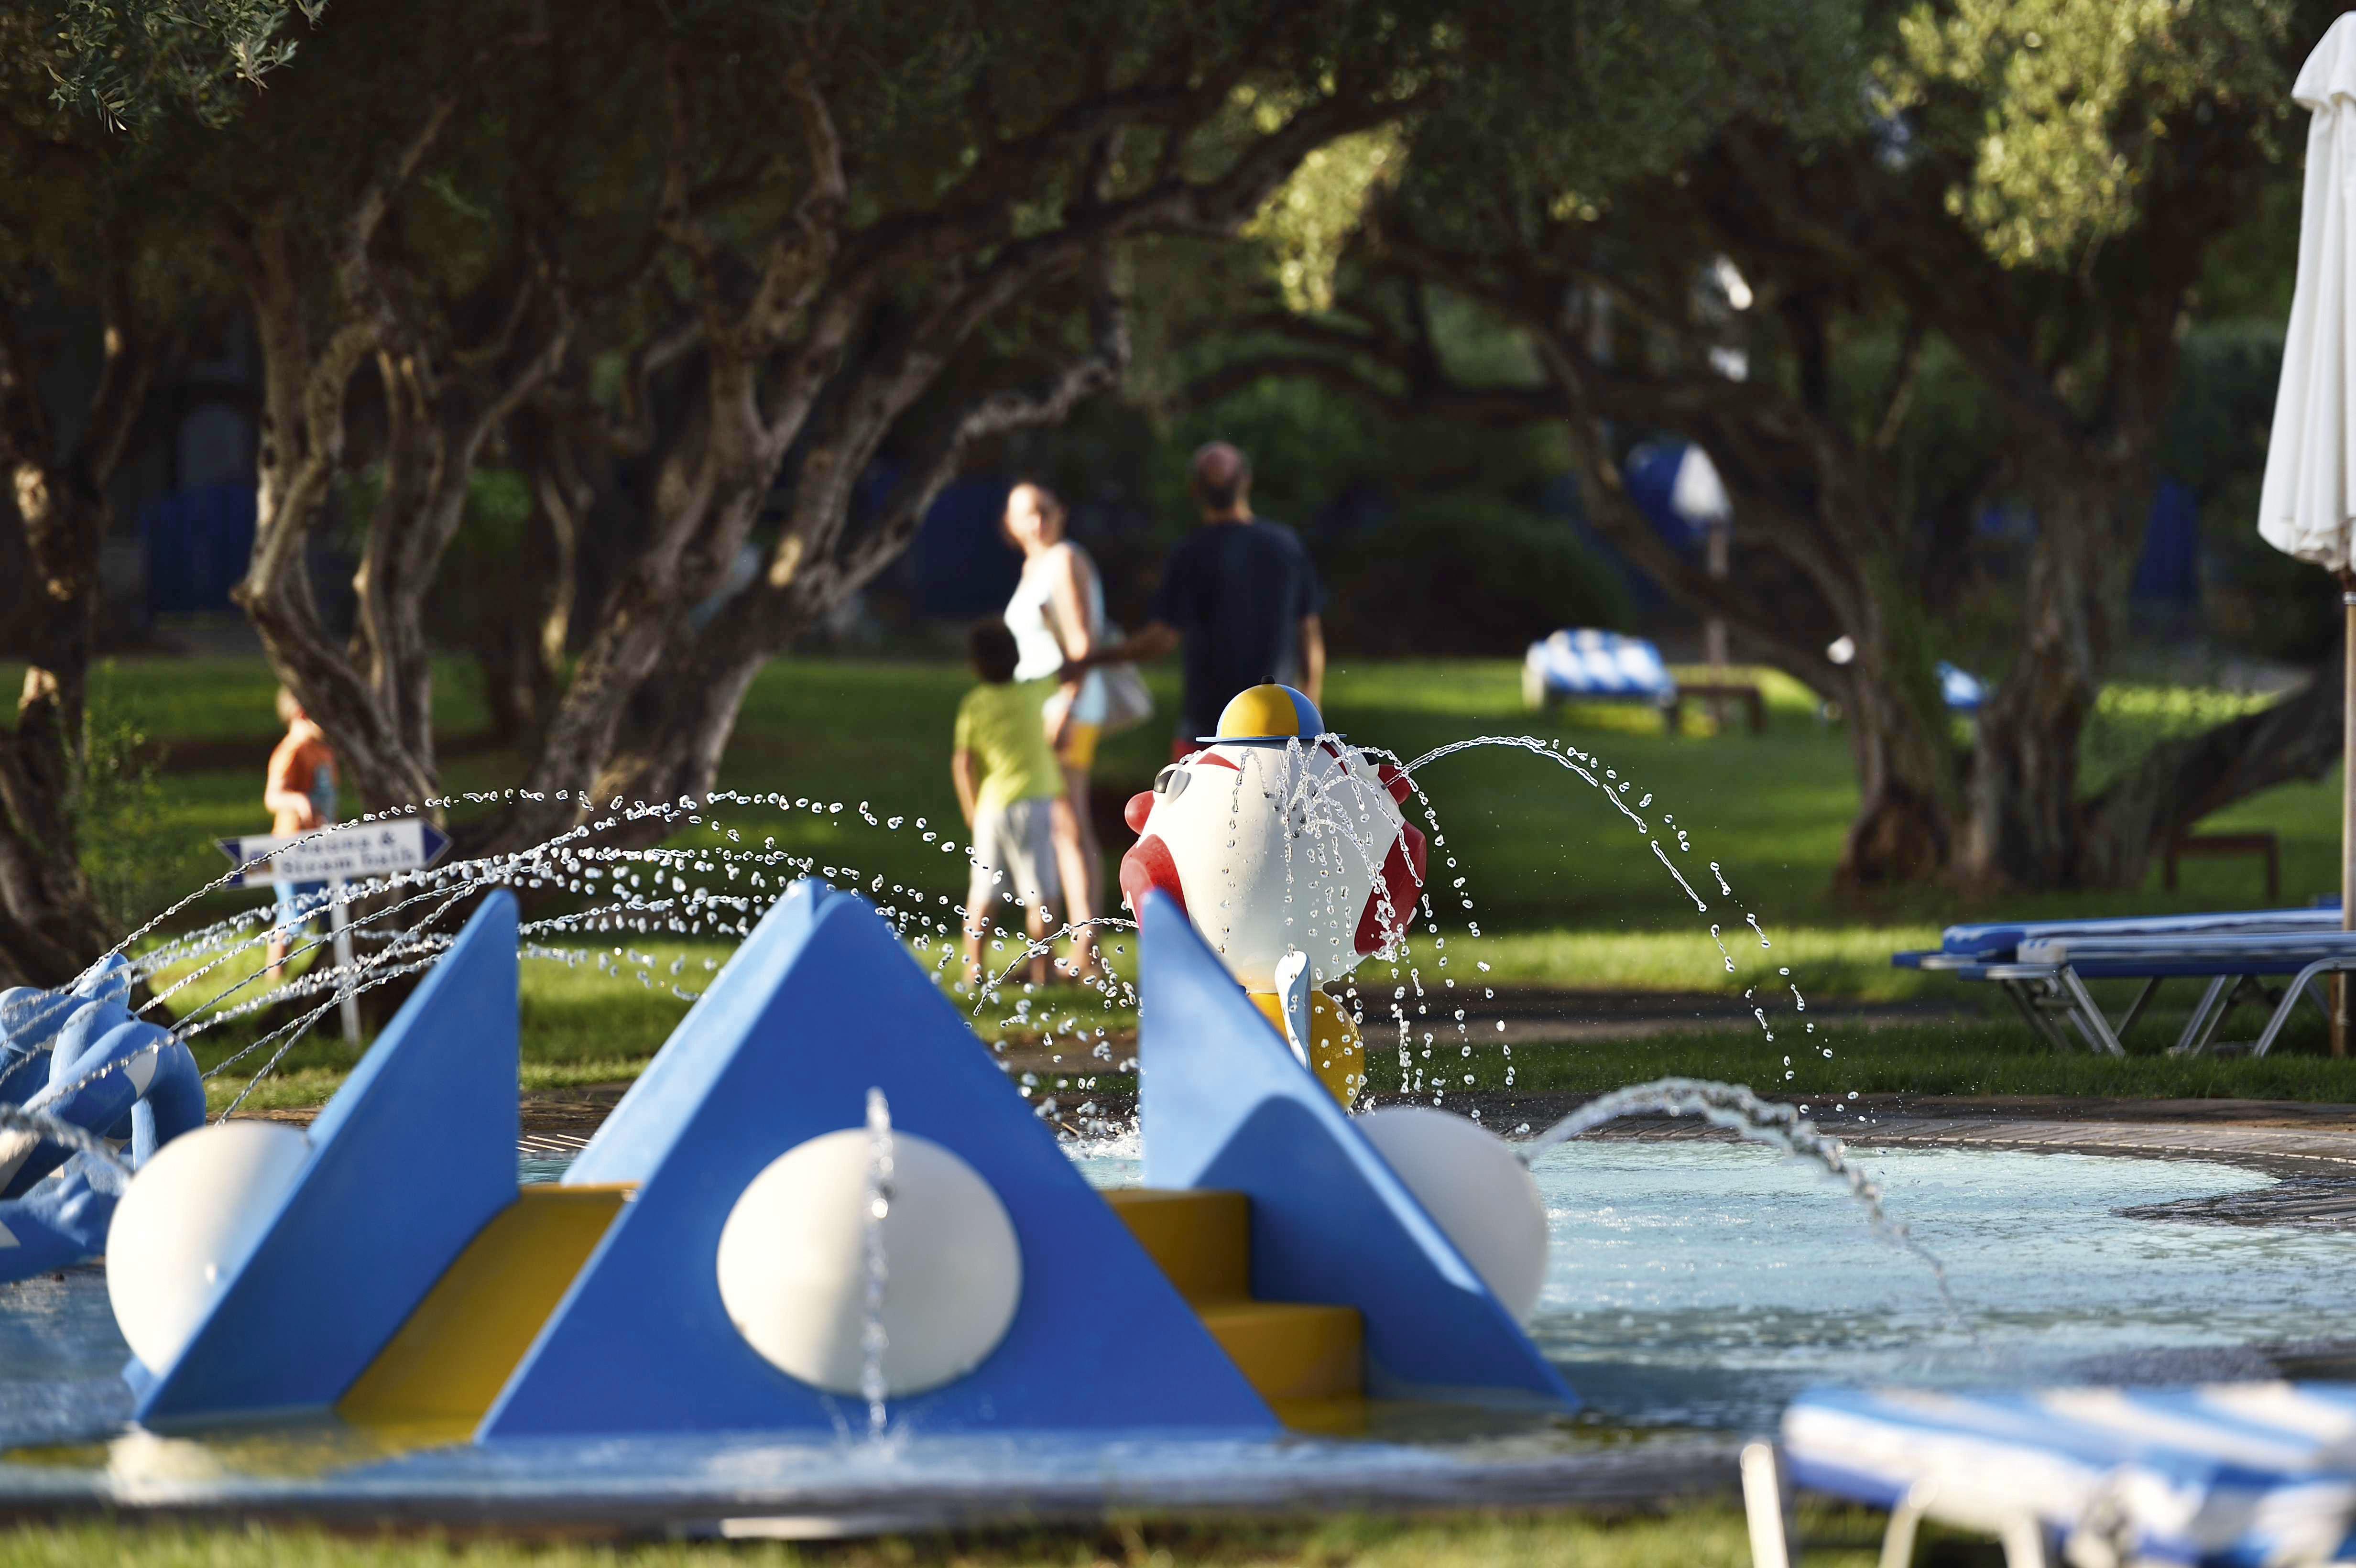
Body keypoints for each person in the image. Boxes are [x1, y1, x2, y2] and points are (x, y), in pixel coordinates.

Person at [1065, 441, 1323, 759]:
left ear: (1195, 490)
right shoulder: (1287, 546)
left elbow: (1161, 640)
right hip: (1282, 726)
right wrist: (1312, 704)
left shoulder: (1191, 553)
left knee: (1200, 809)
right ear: (1246, 481)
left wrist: (1092, 660)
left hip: (1210, 730)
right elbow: (1309, 632)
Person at [1000, 479, 1110, 980]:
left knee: (1069, 824)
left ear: (1060, 512)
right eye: (1026, 512)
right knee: (1055, 825)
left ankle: (1085, 946)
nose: (1036, 520)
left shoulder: (1064, 559)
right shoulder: (1033, 566)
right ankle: (1062, 946)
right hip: (1038, 706)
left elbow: (1082, 640)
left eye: (1044, 509)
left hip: (1067, 705)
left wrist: (1065, 701)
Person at [951, 622, 1064, 990]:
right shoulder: (1034, 693)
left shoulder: (973, 704)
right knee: (1041, 893)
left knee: (982, 893)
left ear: (974, 666)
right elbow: (1068, 672)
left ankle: (973, 970)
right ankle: (1042, 971)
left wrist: (971, 809)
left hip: (990, 808)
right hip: (1034, 803)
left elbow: (964, 763)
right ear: (1017, 657)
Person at [262, 686, 338, 980]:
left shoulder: (323, 751)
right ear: (303, 714)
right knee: (294, 913)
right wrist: (297, 801)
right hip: (291, 847)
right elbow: (272, 797)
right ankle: (274, 975)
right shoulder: (290, 752)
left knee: (330, 905)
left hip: (322, 846)